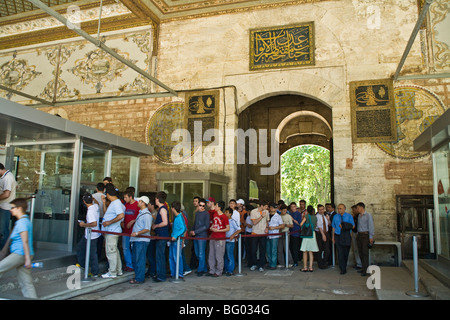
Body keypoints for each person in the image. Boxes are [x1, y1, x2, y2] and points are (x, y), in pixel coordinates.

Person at [0, 198, 37, 298]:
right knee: (26, 283)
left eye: (12, 208)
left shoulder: (22, 222)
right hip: (23, 255)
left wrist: (27, 259)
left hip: (19, 254)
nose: (10, 210)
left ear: (19, 208)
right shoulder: (25, 221)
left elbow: (24, 241)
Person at [101, 184, 125, 279]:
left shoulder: (116, 203)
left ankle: (112, 272)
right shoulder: (115, 203)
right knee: (114, 251)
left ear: (108, 194)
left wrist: (108, 223)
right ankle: (118, 270)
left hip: (112, 231)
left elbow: (121, 215)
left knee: (111, 252)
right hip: (112, 231)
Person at [129, 196, 152, 284]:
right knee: (136, 259)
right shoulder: (141, 213)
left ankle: (139, 278)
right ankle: (138, 277)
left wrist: (137, 233)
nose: (137, 202)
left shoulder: (147, 215)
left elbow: (147, 229)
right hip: (137, 240)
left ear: (143, 202)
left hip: (141, 240)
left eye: (139, 201)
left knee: (140, 259)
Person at [77, 192, 100, 277]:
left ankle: (95, 272)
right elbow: (97, 203)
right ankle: (83, 265)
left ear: (84, 201)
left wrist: (83, 225)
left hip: (91, 235)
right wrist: (93, 199)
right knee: (81, 248)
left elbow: (94, 223)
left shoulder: (90, 211)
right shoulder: (95, 206)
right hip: (93, 234)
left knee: (92, 254)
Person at [208, 200, 229, 277]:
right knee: (211, 254)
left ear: (220, 207)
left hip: (220, 238)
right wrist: (212, 227)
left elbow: (227, 228)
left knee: (219, 256)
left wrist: (218, 230)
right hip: (213, 236)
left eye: (216, 206)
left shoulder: (224, 217)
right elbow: (214, 222)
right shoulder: (215, 214)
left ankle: (219, 271)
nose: (215, 207)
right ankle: (212, 270)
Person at [332, 203, 355, 274]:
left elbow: (353, 226)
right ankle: (342, 268)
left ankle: (344, 265)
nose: (339, 210)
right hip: (338, 236)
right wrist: (333, 237)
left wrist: (344, 226)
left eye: (340, 208)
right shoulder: (335, 216)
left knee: (346, 252)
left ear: (344, 209)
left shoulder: (349, 216)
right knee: (340, 252)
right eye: (338, 208)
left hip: (346, 236)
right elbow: (333, 227)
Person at [152, 191, 169, 282]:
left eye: (155, 198)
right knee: (159, 255)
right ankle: (160, 274)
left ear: (158, 199)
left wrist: (156, 226)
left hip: (162, 235)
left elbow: (165, 222)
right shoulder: (162, 209)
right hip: (160, 235)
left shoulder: (162, 209)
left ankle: (161, 276)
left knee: (160, 256)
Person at [189, 198, 210, 276]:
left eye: (203, 206)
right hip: (196, 235)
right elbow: (195, 223)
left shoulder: (206, 214)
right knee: (197, 253)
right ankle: (203, 268)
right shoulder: (197, 213)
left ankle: (200, 269)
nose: (201, 207)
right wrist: (192, 230)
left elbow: (206, 226)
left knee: (201, 253)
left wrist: (195, 231)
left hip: (202, 236)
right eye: (200, 205)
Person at [0, 163, 17, 248]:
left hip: (5, 207)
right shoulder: (6, 176)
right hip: (3, 206)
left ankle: (3, 252)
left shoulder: (7, 178)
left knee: (3, 231)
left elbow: (6, 194)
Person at [122, 190, 139, 272]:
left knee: (134, 249)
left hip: (134, 232)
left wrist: (132, 221)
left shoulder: (137, 205)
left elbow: (140, 216)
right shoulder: (125, 205)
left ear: (131, 197)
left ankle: (134, 264)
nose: (124, 199)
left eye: (126, 197)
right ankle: (129, 265)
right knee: (125, 248)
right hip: (125, 231)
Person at [250, 200, 269, 272]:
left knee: (262, 250)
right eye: (266, 206)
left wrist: (267, 228)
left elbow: (267, 221)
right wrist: (261, 216)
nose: (267, 208)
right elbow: (254, 222)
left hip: (263, 233)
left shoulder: (267, 212)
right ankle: (254, 264)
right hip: (255, 232)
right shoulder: (253, 212)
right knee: (253, 250)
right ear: (262, 206)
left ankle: (261, 265)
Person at [356, 202, 375, 276]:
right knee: (360, 252)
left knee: (365, 253)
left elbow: (371, 226)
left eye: (358, 208)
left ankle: (366, 270)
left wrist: (371, 237)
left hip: (365, 235)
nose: (357, 209)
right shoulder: (359, 216)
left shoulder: (368, 215)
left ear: (361, 207)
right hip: (359, 235)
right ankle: (363, 268)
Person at [169, 201, 186, 280]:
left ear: (173, 208)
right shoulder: (177, 217)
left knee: (177, 257)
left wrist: (175, 236)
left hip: (177, 240)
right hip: (174, 240)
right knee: (172, 257)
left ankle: (179, 274)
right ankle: (174, 273)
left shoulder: (179, 217)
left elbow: (183, 228)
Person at [300, 205, 318, 272]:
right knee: (311, 251)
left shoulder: (306, 216)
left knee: (305, 251)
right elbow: (315, 225)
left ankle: (305, 267)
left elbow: (301, 224)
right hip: (312, 234)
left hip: (306, 234)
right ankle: (310, 267)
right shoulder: (315, 217)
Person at [267, 203, 284, 270]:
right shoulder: (267, 215)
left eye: (274, 208)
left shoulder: (278, 216)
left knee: (273, 250)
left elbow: (282, 225)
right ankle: (269, 262)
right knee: (268, 250)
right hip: (268, 234)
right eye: (271, 207)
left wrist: (274, 228)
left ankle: (273, 264)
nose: (272, 209)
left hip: (275, 234)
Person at [224, 207, 241, 276]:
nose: (225, 213)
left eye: (227, 212)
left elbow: (239, 229)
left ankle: (230, 270)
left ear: (230, 214)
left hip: (230, 241)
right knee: (225, 255)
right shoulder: (224, 221)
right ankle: (226, 269)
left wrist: (233, 235)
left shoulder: (233, 221)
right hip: (224, 240)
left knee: (230, 255)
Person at [315, 204, 330, 269]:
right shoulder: (317, 216)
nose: (321, 211)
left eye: (322, 209)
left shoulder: (325, 216)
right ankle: (320, 264)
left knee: (327, 250)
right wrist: (323, 235)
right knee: (320, 249)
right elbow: (319, 226)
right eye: (319, 209)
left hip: (326, 232)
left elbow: (329, 224)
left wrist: (328, 219)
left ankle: (324, 261)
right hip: (319, 233)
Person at [288, 202, 302, 267]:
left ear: (296, 207)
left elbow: (299, 223)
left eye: (294, 206)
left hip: (296, 233)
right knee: (291, 248)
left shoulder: (298, 214)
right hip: (290, 233)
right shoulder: (290, 214)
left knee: (295, 248)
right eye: (291, 207)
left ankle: (296, 261)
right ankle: (293, 260)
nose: (293, 208)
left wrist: (293, 219)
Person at [351, 204, 362, 270]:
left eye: (354, 210)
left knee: (359, 249)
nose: (353, 211)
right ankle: (358, 263)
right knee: (355, 249)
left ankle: (361, 264)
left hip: (359, 233)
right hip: (354, 233)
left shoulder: (361, 216)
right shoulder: (354, 217)